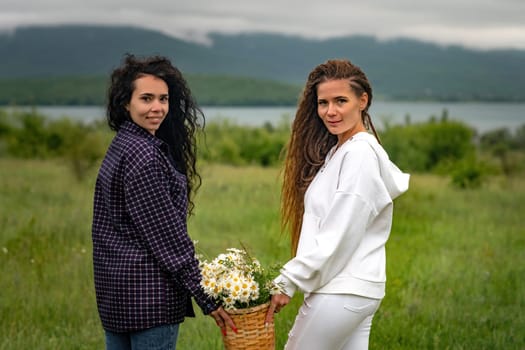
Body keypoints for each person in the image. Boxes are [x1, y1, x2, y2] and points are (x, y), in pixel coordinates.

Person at [91, 54, 236, 350]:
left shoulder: (122, 144)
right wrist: (207, 297)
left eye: (163, 99)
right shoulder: (144, 156)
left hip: (116, 296)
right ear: (125, 103)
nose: (157, 108)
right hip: (148, 297)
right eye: (146, 98)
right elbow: (168, 239)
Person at [265, 59, 410, 349]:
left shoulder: (359, 154)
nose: (330, 112)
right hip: (354, 289)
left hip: (341, 291)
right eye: (323, 103)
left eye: (340, 101)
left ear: (363, 101)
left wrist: (288, 279)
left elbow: (340, 231)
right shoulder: (339, 151)